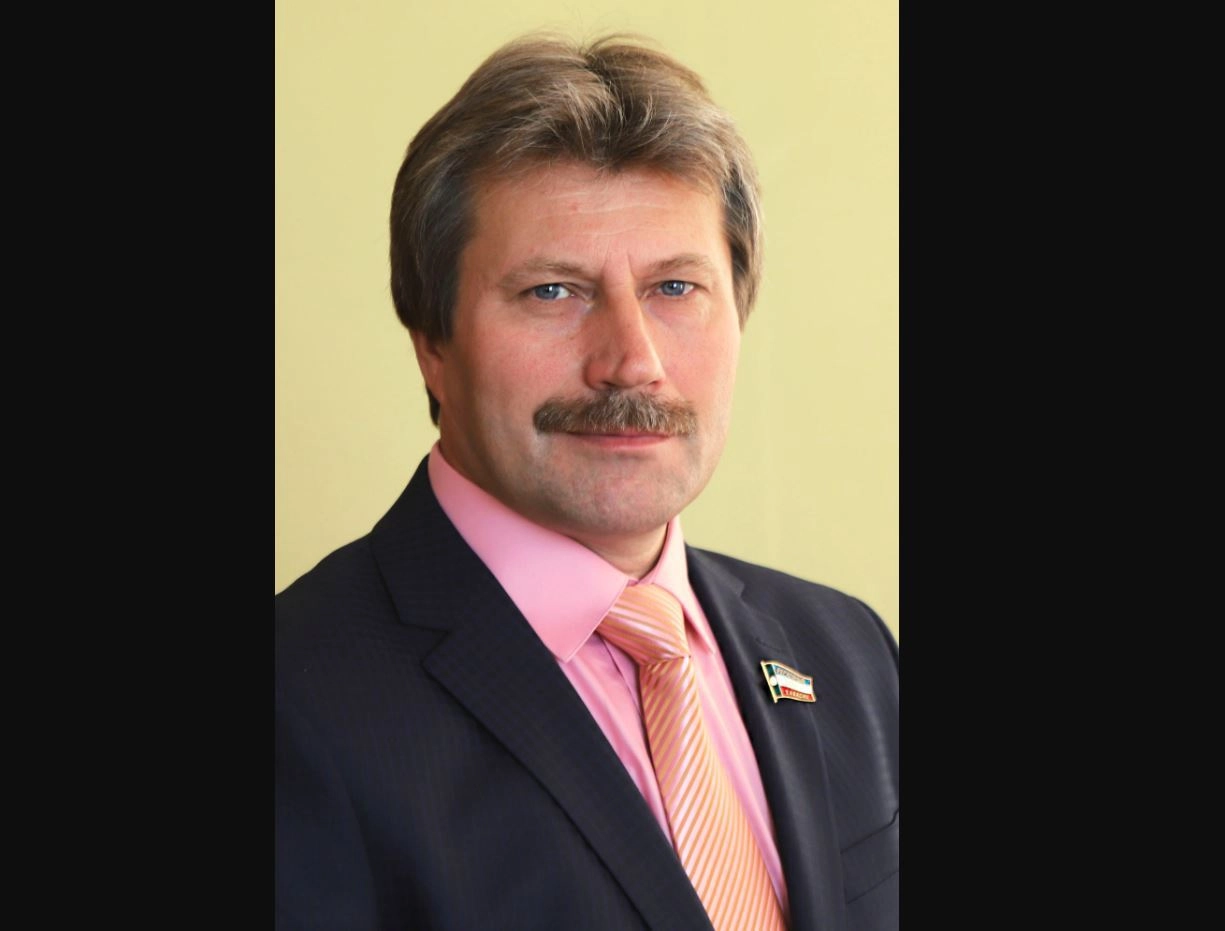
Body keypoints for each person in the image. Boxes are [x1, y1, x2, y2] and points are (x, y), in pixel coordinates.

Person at [276, 32, 898, 931]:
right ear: (432, 342)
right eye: (552, 292)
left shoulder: (848, 652)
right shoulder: (296, 704)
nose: (631, 362)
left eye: (675, 288)